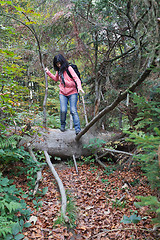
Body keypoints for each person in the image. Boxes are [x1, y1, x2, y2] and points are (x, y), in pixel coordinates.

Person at [45, 54, 84, 135]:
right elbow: (56, 79)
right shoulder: (58, 70)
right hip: (62, 93)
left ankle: (77, 129)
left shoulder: (69, 68)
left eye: (60, 63)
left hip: (73, 92)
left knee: (73, 110)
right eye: (57, 64)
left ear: (62, 62)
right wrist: (48, 72)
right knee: (63, 110)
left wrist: (79, 87)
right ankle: (62, 125)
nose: (59, 65)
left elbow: (76, 78)